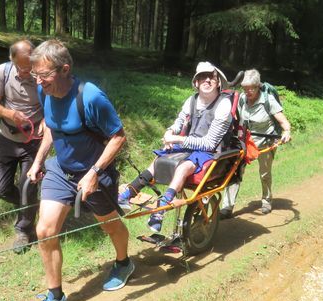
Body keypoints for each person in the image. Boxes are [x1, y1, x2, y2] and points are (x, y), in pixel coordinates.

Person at [23, 39, 132, 301]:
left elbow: (118, 137)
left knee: (110, 225)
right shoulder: (43, 91)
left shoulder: (91, 96)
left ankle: (123, 262)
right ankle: (56, 298)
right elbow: (50, 129)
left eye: (44, 75)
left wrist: (95, 172)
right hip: (61, 169)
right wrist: (38, 161)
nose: (38, 81)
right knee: (45, 230)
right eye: (35, 75)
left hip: (95, 172)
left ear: (64, 69)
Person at [117, 62, 232, 233]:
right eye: (202, 77)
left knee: (184, 167)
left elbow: (209, 143)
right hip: (188, 146)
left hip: (210, 152)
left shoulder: (223, 105)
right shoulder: (191, 100)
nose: (207, 80)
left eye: (211, 77)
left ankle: (161, 209)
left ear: (218, 82)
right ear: (196, 82)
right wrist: (170, 132)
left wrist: (178, 139)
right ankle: (127, 195)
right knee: (158, 160)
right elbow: (179, 122)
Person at [0, 40, 43, 253]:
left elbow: (54, 102)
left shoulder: (41, 74)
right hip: (7, 137)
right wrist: (10, 114)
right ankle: (29, 205)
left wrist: (47, 121)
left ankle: (23, 230)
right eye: (23, 67)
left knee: (28, 185)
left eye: (31, 66)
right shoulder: (3, 71)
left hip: (34, 141)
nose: (28, 72)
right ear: (12, 61)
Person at [219, 70, 292, 219]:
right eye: (245, 89)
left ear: (258, 86)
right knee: (235, 172)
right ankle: (227, 206)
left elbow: (284, 122)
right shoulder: (242, 99)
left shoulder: (268, 100)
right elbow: (234, 119)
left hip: (265, 141)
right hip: (245, 143)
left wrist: (286, 132)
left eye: (251, 88)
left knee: (264, 173)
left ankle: (266, 200)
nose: (247, 92)